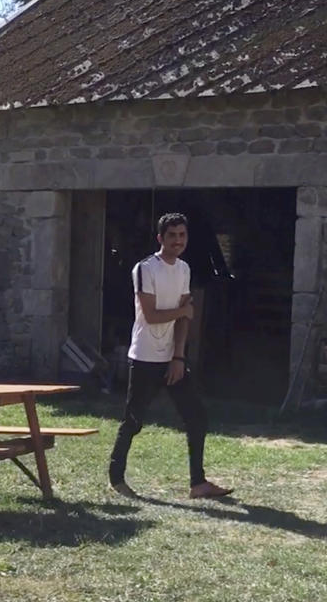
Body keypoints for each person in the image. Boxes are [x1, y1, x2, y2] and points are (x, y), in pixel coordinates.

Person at [108, 212, 232, 499]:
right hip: (144, 358)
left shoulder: (184, 269)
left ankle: (198, 483)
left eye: (182, 235)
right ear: (160, 238)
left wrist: (178, 357)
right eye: (172, 235)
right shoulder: (145, 269)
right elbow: (151, 316)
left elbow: (183, 319)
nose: (178, 241)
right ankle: (116, 479)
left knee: (197, 418)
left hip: (171, 359)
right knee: (134, 420)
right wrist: (183, 311)